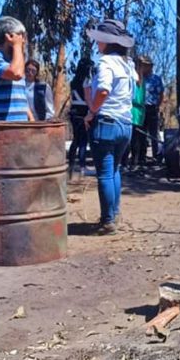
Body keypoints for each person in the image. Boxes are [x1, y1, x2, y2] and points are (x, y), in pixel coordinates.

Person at [84, 19, 136, 235]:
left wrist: (92, 111)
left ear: (107, 42)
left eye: (100, 41)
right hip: (125, 124)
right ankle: (113, 214)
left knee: (105, 172)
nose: (97, 44)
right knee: (114, 170)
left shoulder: (106, 63)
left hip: (106, 122)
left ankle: (107, 221)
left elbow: (104, 90)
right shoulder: (128, 65)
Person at [68, 57, 93, 180]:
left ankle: (71, 165)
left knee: (75, 140)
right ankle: (82, 167)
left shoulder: (73, 81)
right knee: (83, 140)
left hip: (74, 111)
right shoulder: (86, 81)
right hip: (83, 112)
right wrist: (91, 111)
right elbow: (88, 98)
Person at [138, 56, 165, 164]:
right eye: (143, 65)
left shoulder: (156, 79)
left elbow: (161, 94)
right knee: (141, 134)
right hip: (140, 109)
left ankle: (156, 156)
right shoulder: (139, 78)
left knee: (154, 133)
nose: (144, 67)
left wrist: (158, 105)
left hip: (152, 108)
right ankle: (141, 156)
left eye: (146, 65)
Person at [121, 68, 147, 171]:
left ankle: (126, 162)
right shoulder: (142, 81)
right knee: (135, 139)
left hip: (132, 112)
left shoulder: (132, 81)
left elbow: (136, 98)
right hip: (139, 114)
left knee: (129, 139)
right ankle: (134, 162)